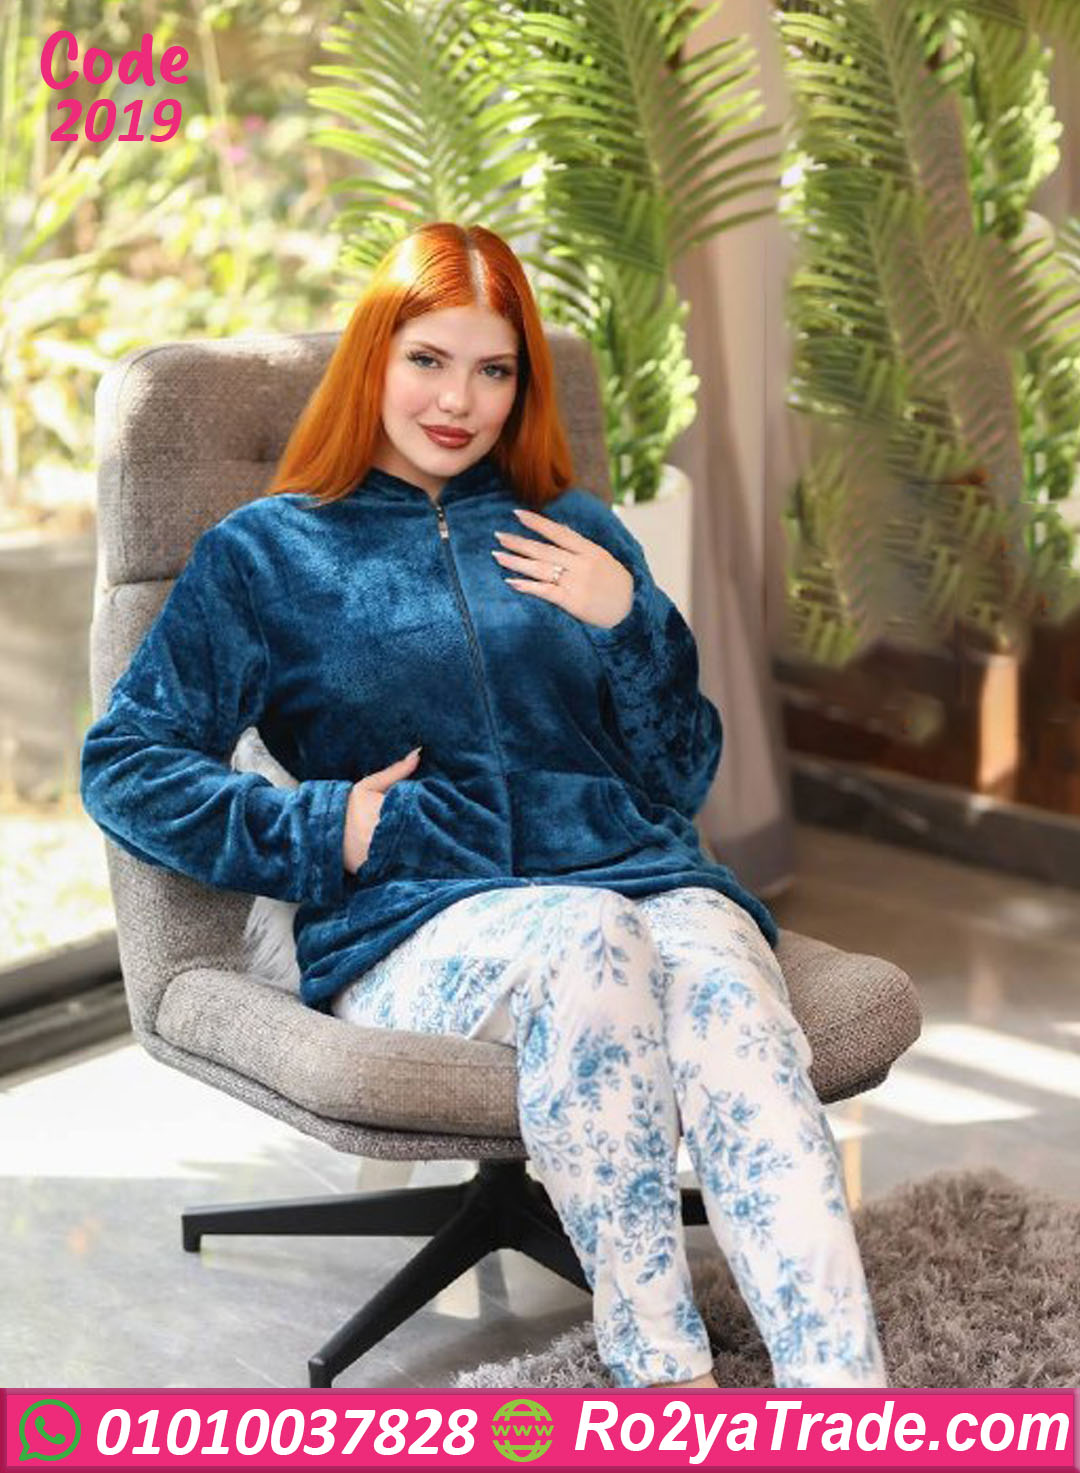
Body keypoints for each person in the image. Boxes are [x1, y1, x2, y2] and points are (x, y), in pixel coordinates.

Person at [80, 220, 887, 1392]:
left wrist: (631, 624)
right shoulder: (267, 555)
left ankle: (846, 1402)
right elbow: (127, 761)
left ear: (522, 385)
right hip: (421, 919)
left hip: (645, 880)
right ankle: (666, 1383)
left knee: (732, 1007)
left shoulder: (579, 532)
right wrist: (325, 828)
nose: (459, 400)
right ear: (375, 359)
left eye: (494, 370)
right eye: (429, 359)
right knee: (588, 937)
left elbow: (679, 775)